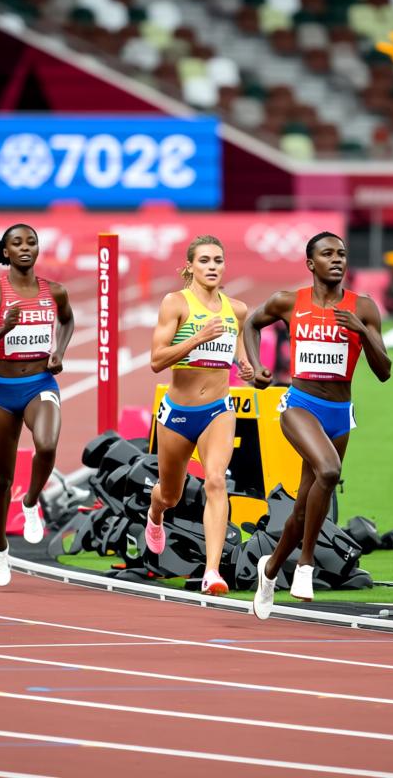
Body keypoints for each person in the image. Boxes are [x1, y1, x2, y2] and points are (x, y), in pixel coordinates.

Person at [243, 232, 391, 618]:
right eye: (328, 254)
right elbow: (251, 324)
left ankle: (269, 571)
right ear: (311, 264)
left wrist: (362, 331)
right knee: (329, 470)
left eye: (341, 253)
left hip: (339, 414)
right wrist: (258, 366)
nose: (337, 259)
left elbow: (384, 372)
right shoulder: (289, 302)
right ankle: (305, 565)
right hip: (299, 405)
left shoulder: (364, 307)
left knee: (304, 506)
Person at [0, 224, 74, 587]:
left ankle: (30, 502)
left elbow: (68, 320)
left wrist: (59, 351)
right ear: (6, 251)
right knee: (1, 479)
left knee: (47, 445)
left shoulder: (54, 291)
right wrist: (3, 330)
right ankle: (0, 550)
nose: (25, 247)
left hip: (41, 384)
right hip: (2, 393)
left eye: (31, 242)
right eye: (17, 243)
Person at [145, 236, 253, 596]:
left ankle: (212, 571)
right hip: (178, 413)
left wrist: (247, 366)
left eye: (218, 260)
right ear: (190, 266)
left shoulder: (237, 309)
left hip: (218, 409)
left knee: (216, 481)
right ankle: (155, 514)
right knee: (170, 495)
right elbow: (157, 360)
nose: (212, 266)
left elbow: (239, 350)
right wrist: (198, 338)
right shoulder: (176, 303)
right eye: (204, 260)